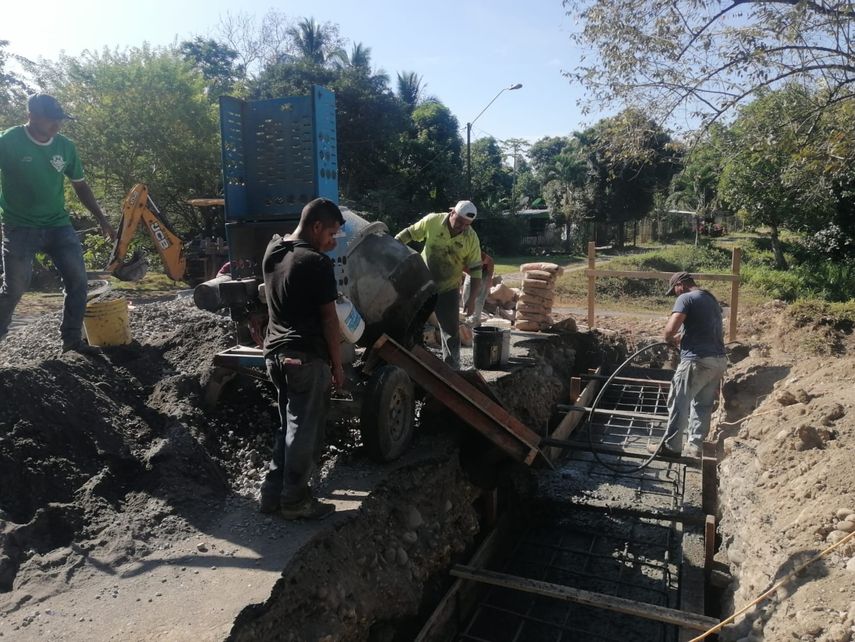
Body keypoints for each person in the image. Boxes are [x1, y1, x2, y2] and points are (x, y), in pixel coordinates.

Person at [0, 94, 115, 354]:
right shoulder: (8, 142)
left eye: (59, 119)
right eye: (51, 119)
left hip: (58, 225)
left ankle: (72, 341)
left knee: (78, 281)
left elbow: (81, 185)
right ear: (31, 116)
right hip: (19, 226)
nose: (56, 125)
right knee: (15, 288)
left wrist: (102, 218)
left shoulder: (65, 147)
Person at [258, 197, 345, 520]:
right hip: (305, 357)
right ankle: (295, 501)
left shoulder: (273, 250)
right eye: (330, 233)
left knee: (288, 426)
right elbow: (329, 320)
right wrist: (337, 365)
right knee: (304, 430)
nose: (332, 241)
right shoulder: (316, 263)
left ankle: (271, 495)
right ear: (316, 226)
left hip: (275, 355)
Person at [395, 200, 483, 368]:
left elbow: (476, 270)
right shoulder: (433, 221)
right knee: (410, 322)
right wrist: (392, 246)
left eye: (467, 225)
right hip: (422, 283)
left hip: (448, 288)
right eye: (459, 222)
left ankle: (452, 369)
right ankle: (407, 360)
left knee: (451, 332)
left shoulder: (471, 238)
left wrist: (471, 299)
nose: (462, 227)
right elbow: (409, 233)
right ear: (452, 213)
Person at [658, 271, 728, 459]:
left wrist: (669, 339)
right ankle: (695, 447)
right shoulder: (710, 298)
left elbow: (669, 330)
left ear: (680, 284)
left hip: (697, 360)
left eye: (675, 290)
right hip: (718, 361)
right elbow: (703, 327)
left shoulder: (686, 298)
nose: (676, 294)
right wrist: (683, 336)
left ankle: (671, 447)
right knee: (702, 405)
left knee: (678, 401)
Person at [462, 251, 495, 327]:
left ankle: (475, 321)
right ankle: (468, 319)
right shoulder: (457, 259)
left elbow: (490, 261)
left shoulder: (476, 253)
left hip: (484, 273)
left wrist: (489, 277)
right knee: (465, 295)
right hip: (471, 272)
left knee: (479, 298)